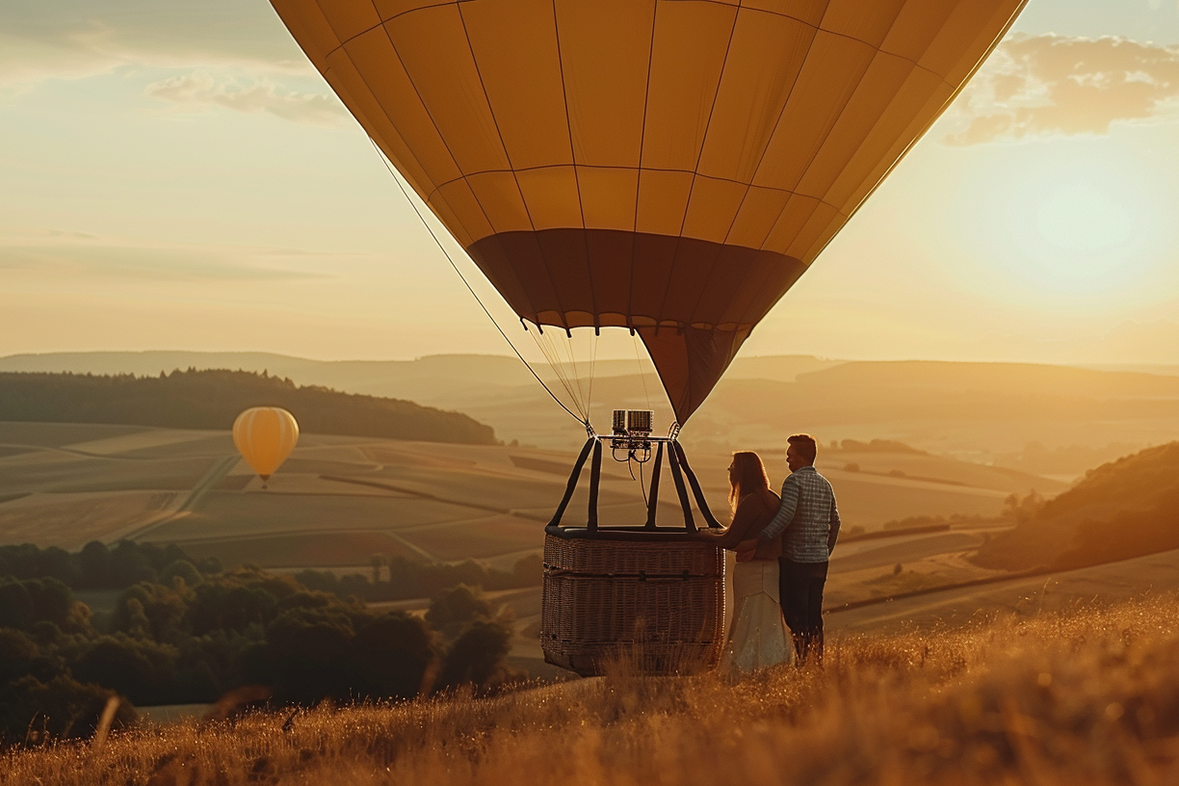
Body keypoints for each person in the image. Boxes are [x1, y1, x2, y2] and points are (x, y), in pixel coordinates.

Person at [737, 434, 840, 664]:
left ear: (802, 457)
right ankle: (816, 663)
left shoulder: (793, 482)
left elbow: (785, 516)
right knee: (814, 615)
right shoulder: (825, 484)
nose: (787, 460)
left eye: (790, 455)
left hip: (796, 561)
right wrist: (826, 550)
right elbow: (836, 522)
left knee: (795, 615)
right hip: (819, 561)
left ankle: (803, 662)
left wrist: (758, 540)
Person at [706, 451, 793, 673]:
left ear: (743, 471)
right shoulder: (770, 498)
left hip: (754, 573)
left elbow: (731, 539)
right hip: (769, 571)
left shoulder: (750, 502)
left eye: (733, 466)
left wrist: (701, 537)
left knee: (749, 620)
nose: (729, 470)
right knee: (765, 620)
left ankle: (746, 670)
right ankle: (770, 668)